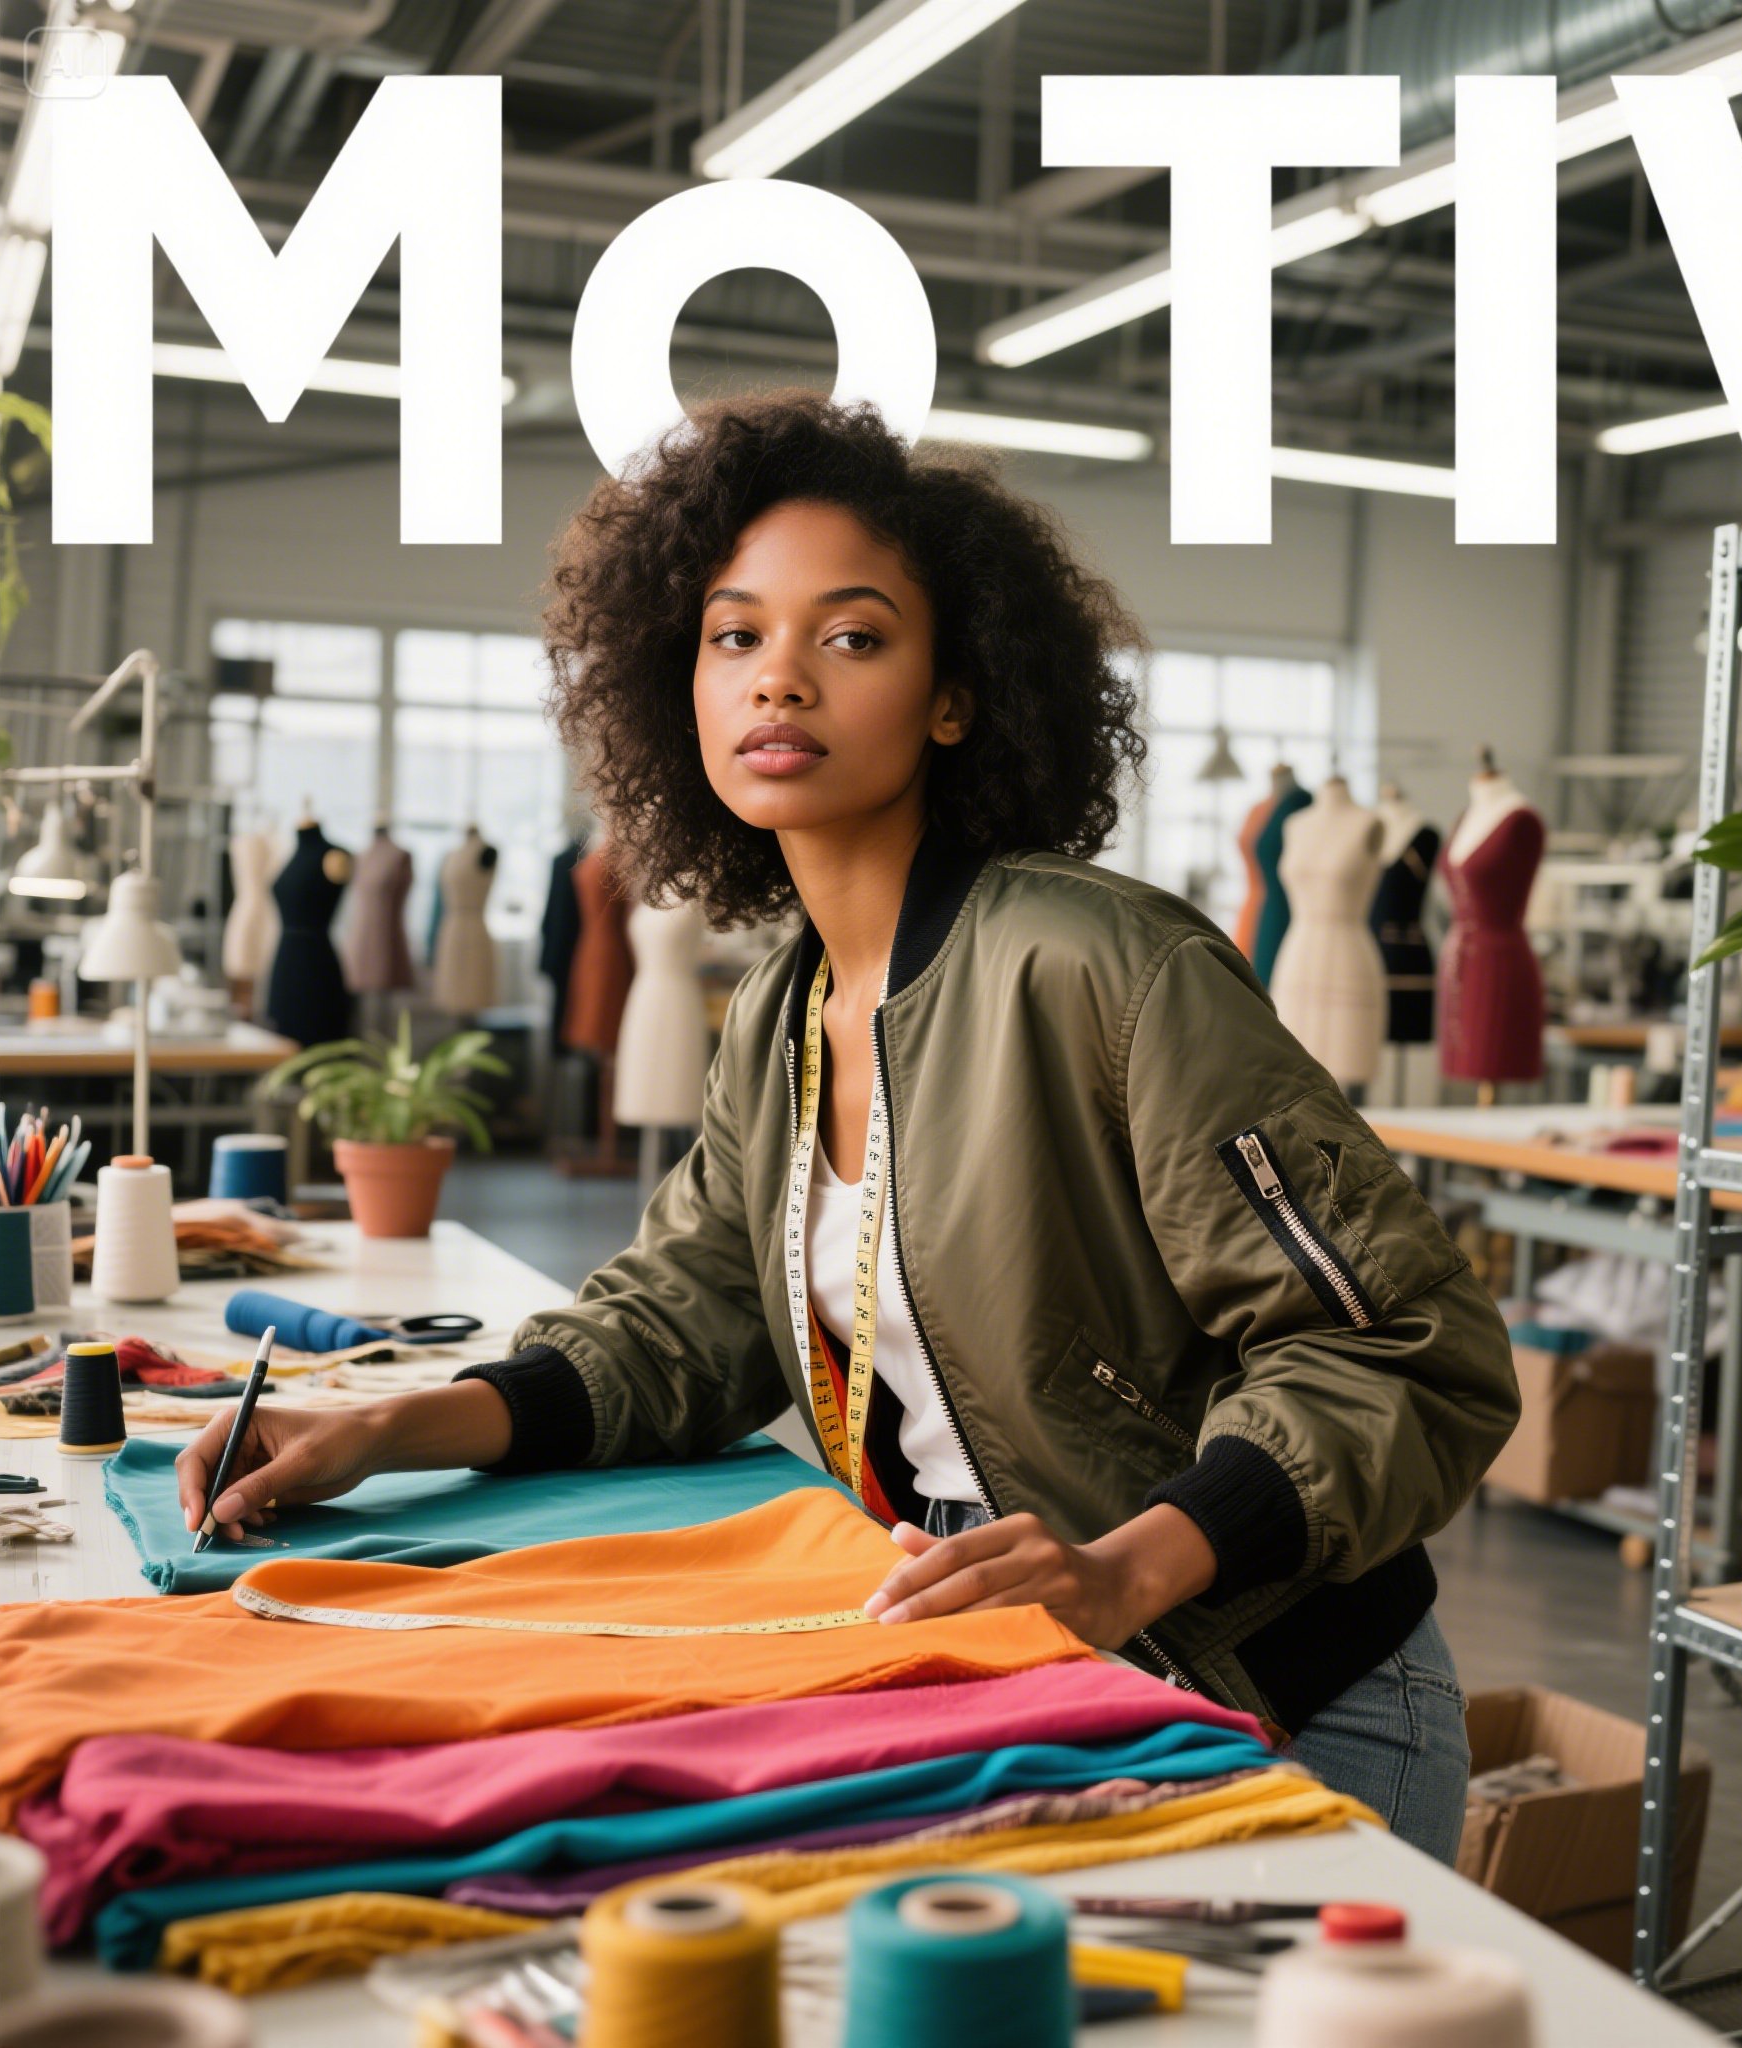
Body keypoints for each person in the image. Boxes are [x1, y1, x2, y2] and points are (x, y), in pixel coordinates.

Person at [177, 391, 1519, 1863]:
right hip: (1005, 1658)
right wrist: (375, 1428)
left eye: (853, 636)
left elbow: (1406, 1349)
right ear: (673, 689)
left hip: (1279, 1687)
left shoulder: (1102, 971)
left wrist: (1127, 1573)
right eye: (735, 636)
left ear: (957, 692)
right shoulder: (783, 1012)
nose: (782, 683)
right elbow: (675, 1328)